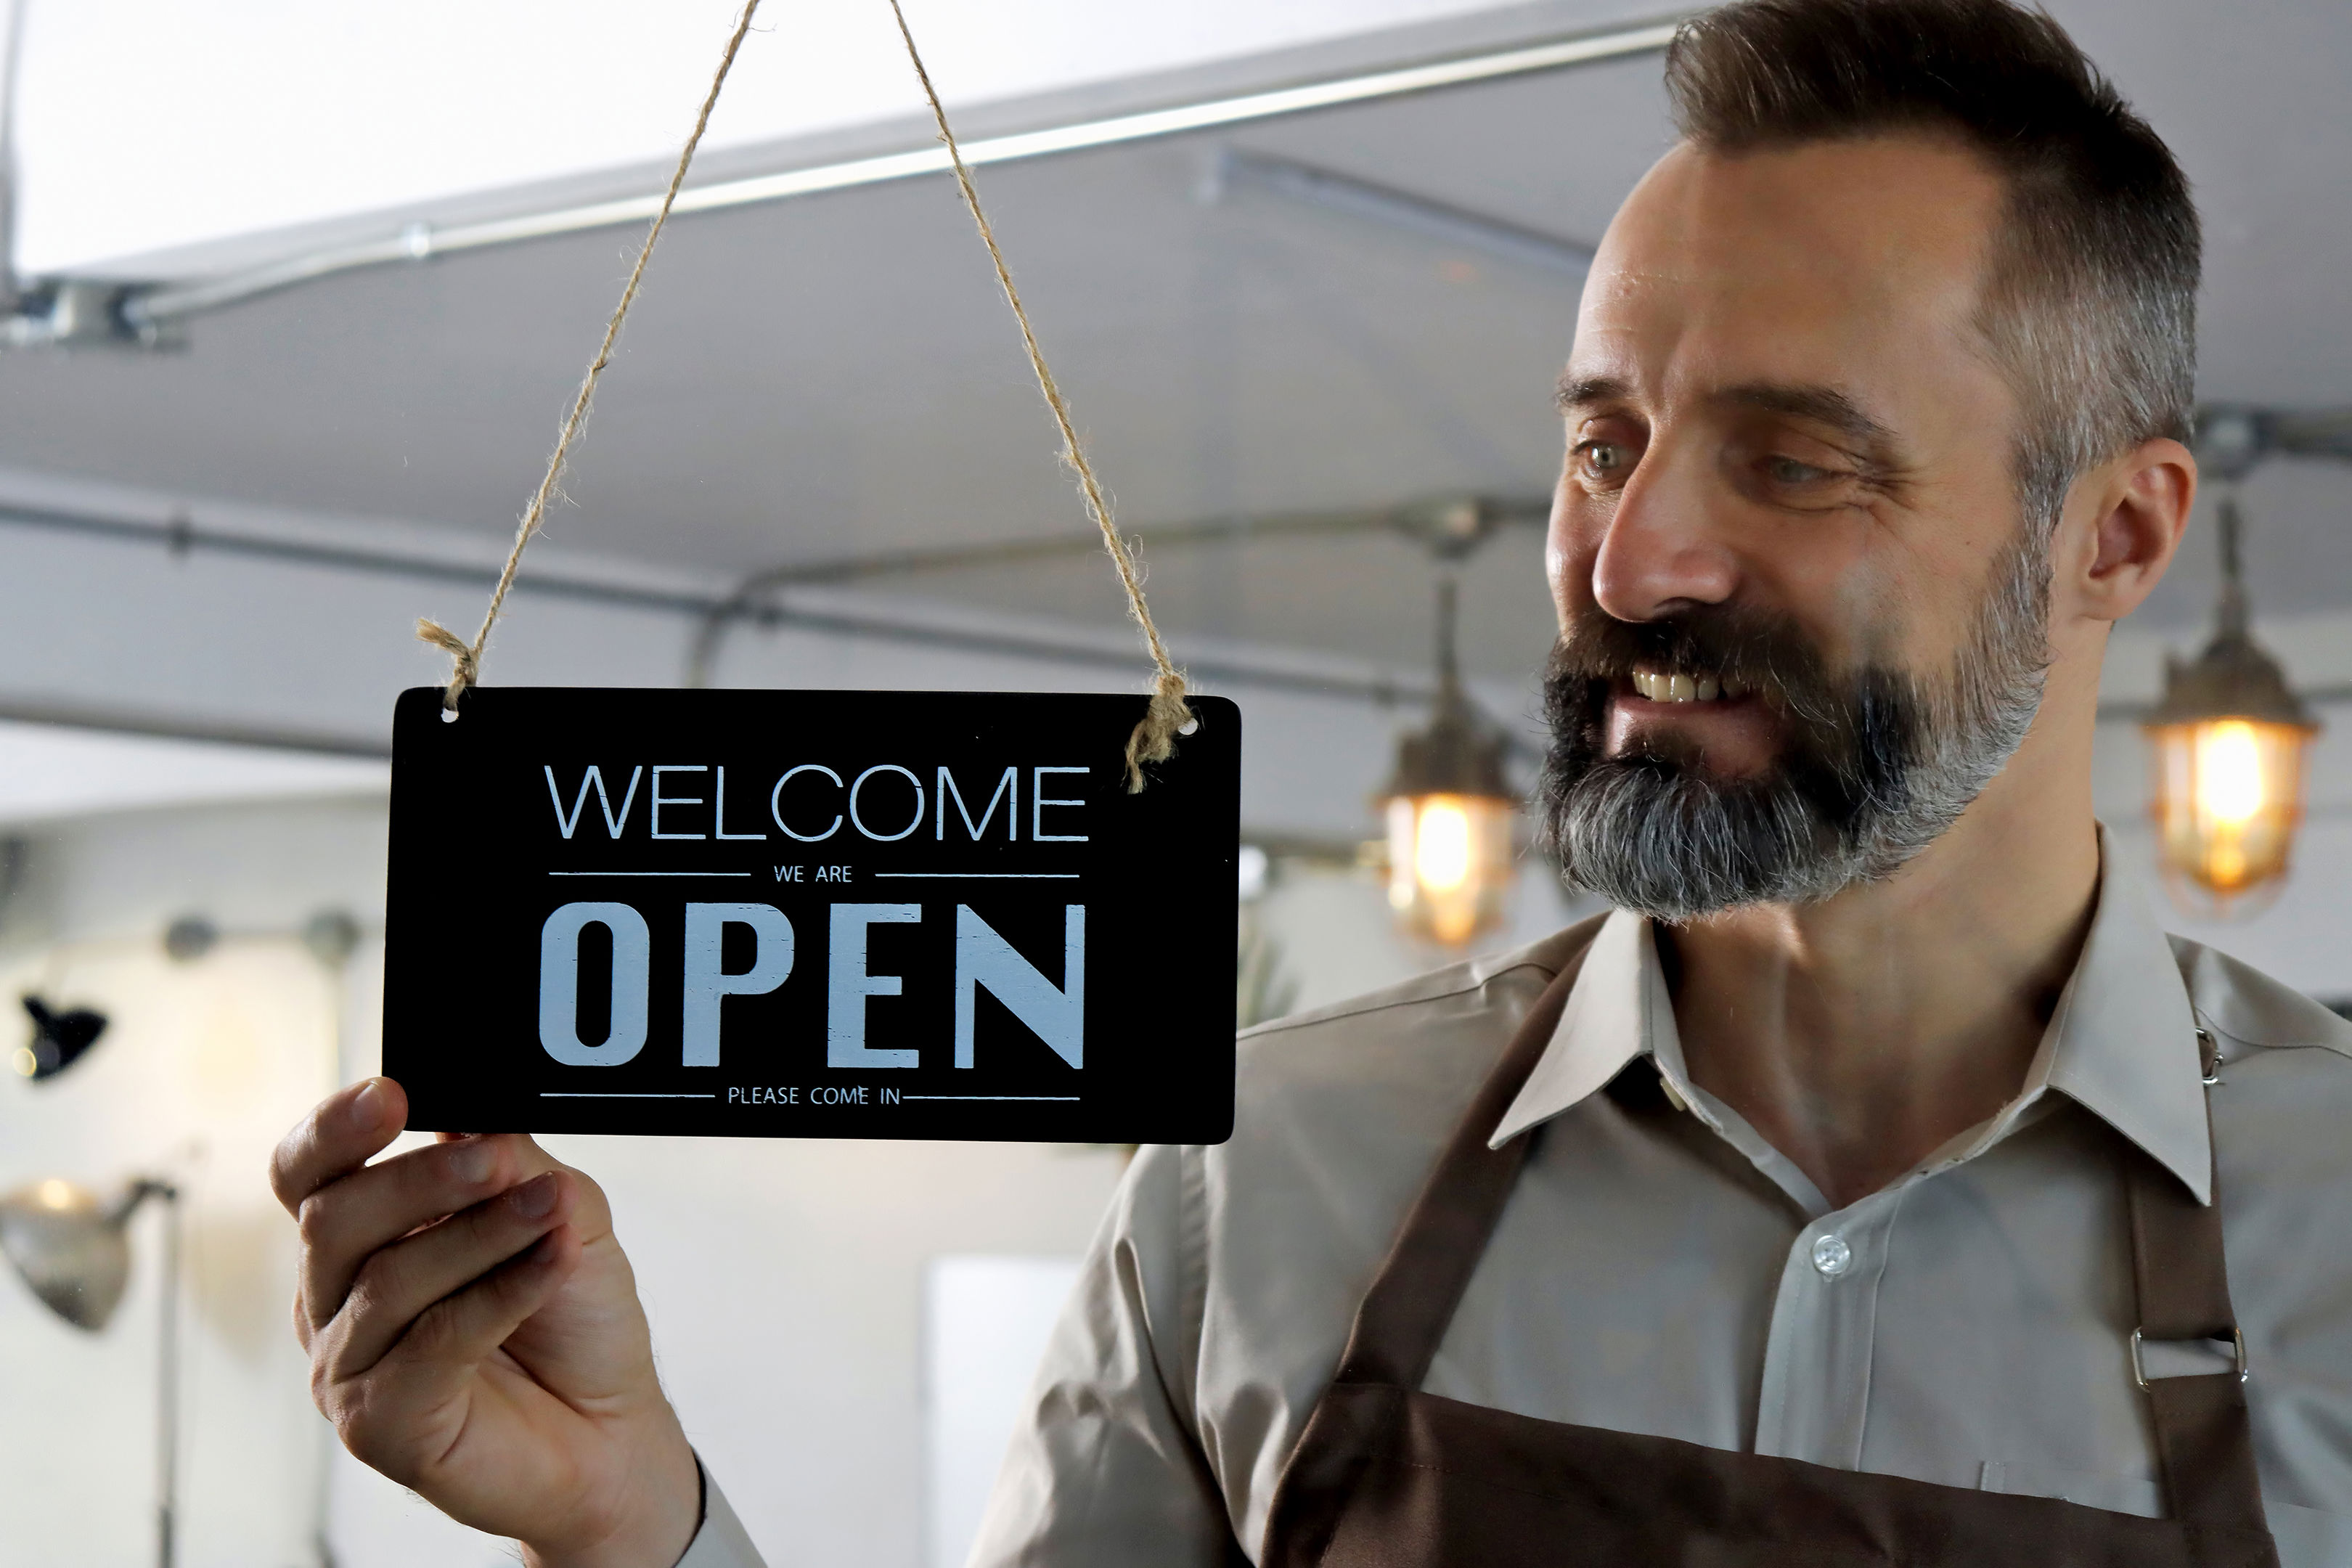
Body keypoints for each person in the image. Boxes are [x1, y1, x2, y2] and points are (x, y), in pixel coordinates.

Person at [270, 0, 2352, 1563]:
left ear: (2121, 536)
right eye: (1605, 441)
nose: (1631, 568)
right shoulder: (1256, 1185)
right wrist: (634, 1521)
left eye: (1794, 461)